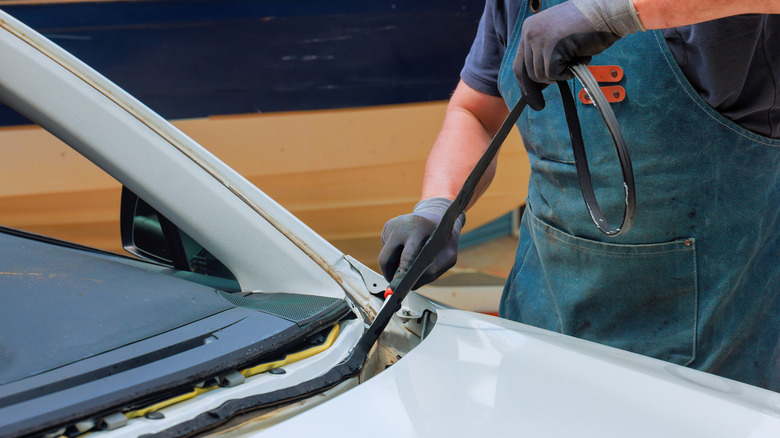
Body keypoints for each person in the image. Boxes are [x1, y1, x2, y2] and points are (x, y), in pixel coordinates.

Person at [379, 0, 780, 391]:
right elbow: (476, 113)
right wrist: (438, 206)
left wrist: (617, 12)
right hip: (537, 335)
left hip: (708, 371)